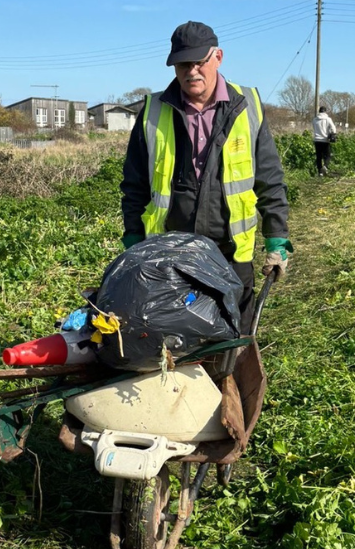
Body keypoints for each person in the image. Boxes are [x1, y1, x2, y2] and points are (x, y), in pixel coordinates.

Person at [119, 20, 292, 335]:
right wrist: (132, 239)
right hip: (171, 250)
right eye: (183, 64)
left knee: (235, 334)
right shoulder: (153, 112)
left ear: (218, 57)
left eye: (199, 62)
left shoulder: (247, 105)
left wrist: (277, 239)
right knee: (178, 332)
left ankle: (231, 381)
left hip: (231, 249)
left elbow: (269, 178)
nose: (192, 71)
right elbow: (134, 185)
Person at [311, 106, 337, 176]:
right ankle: (325, 166)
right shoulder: (328, 119)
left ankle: (320, 172)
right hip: (325, 140)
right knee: (328, 155)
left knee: (318, 157)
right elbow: (333, 128)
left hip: (317, 140)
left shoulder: (314, 119)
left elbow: (314, 128)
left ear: (319, 112)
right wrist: (332, 134)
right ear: (325, 111)